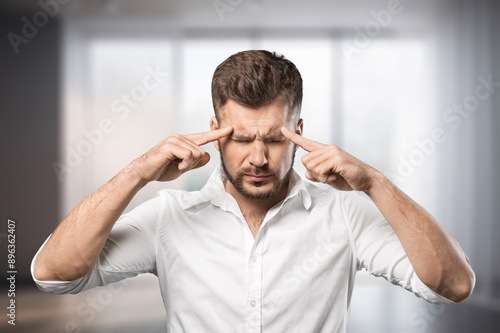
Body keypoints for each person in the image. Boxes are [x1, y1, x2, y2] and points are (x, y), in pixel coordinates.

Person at [32, 50, 475, 332]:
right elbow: (53, 275)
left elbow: (454, 284)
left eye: (276, 139)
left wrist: (374, 183)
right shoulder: (171, 216)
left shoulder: (344, 215)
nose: (259, 158)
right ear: (214, 132)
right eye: (242, 139)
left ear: (299, 131)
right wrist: (136, 174)